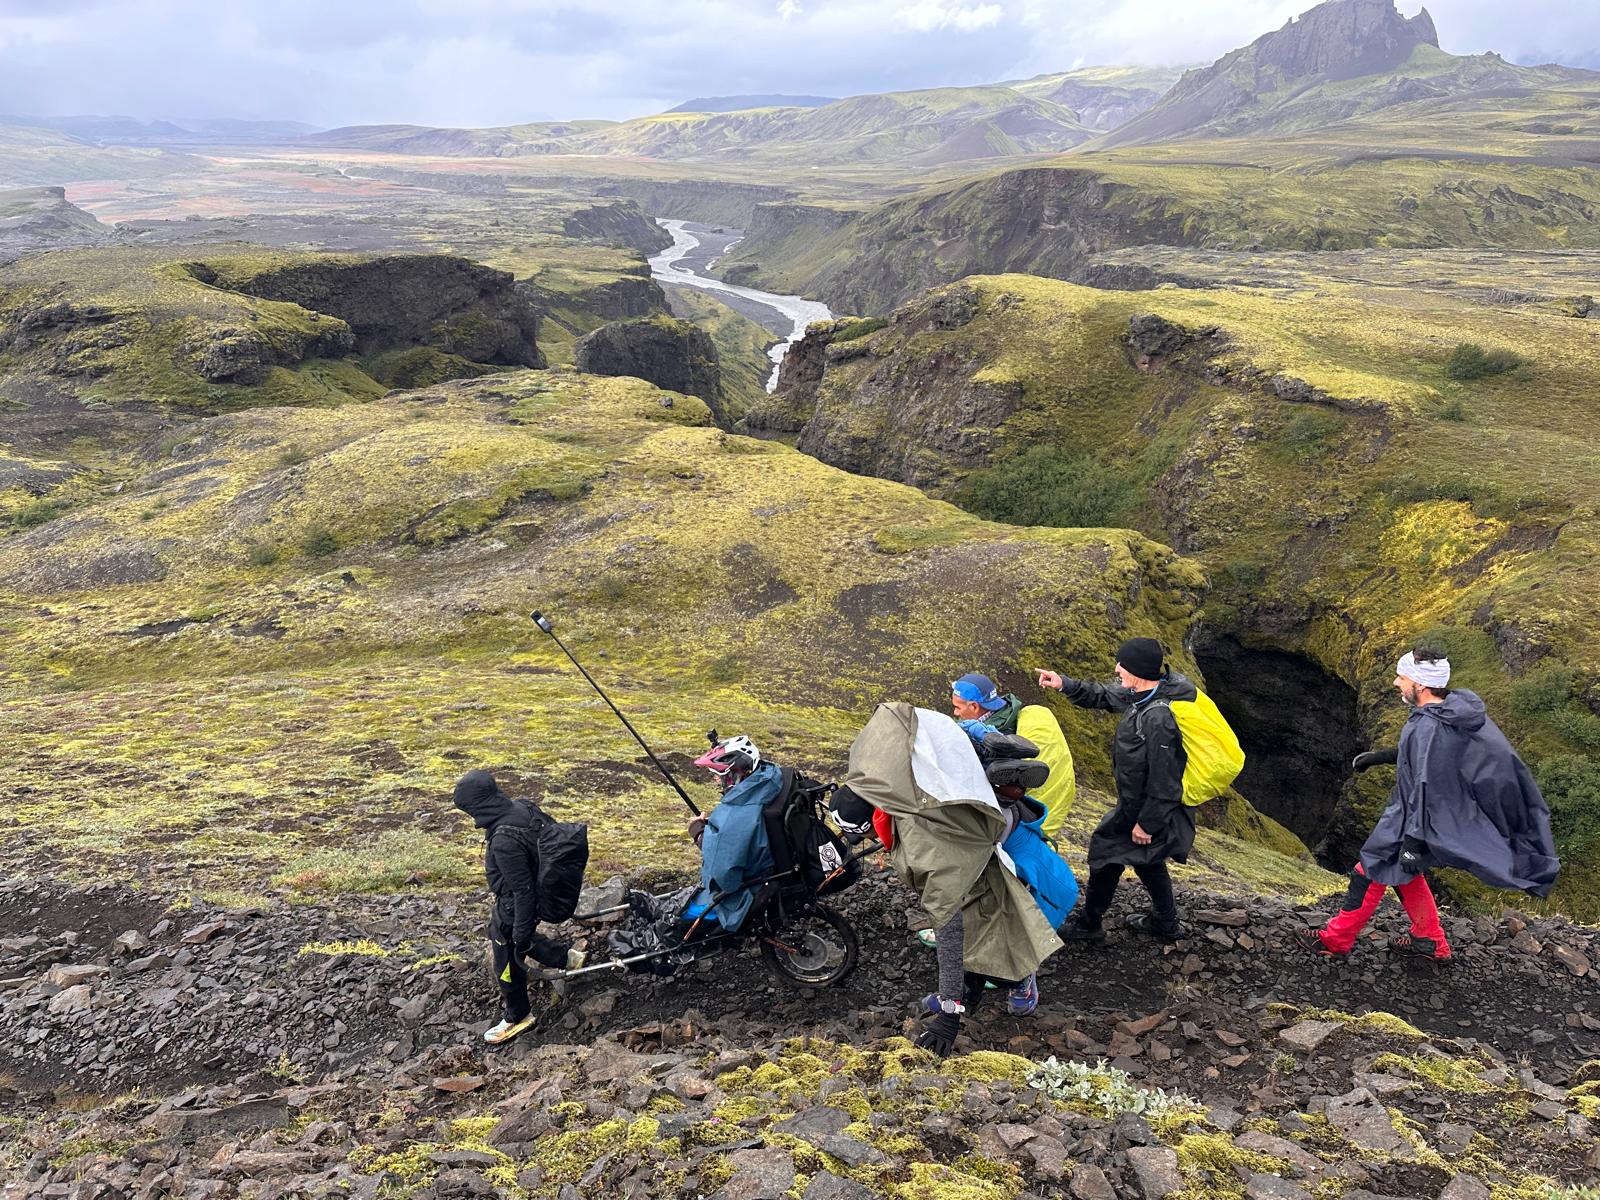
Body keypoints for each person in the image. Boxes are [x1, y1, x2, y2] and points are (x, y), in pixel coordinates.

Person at [1296, 646, 1560, 962]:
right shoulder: (1445, 712)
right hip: (1410, 811)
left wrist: (1414, 840)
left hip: (1415, 816)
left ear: (1420, 685)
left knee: (1369, 870)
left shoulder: (1432, 726)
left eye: (1402, 677)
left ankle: (1334, 941)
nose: (1396, 683)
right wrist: (1381, 757)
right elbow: (1425, 757)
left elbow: (1430, 784)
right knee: (1404, 873)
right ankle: (1429, 941)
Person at [832, 703, 1063, 1055]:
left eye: (863, 837)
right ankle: (986, 754)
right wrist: (976, 733)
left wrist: (950, 1014)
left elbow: (948, 923)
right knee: (973, 907)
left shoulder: (922, 845)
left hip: (1015, 858)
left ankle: (1018, 979)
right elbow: (916, 722)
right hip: (991, 824)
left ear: (868, 826)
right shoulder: (891, 775)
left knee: (991, 918)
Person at [1037, 636, 1192, 943]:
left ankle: (1090, 925)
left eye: (1122, 664)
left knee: (1105, 853)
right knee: (1146, 859)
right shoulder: (1144, 694)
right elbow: (1104, 694)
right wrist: (1064, 684)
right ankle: (1165, 923)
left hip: (1145, 807)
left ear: (1137, 670)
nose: (1117, 668)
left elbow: (1166, 778)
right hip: (1137, 804)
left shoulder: (1159, 717)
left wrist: (1148, 822)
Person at [453, 769, 586, 1045]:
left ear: (477, 804)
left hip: (515, 904)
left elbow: (522, 890)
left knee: (506, 951)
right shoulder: (523, 806)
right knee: (510, 935)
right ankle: (567, 959)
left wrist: (521, 931)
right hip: (537, 891)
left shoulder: (503, 840)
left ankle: (518, 1016)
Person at [951, 672, 1022, 738]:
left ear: (974, 707)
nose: (955, 712)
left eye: (958, 707)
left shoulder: (988, 739)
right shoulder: (1008, 712)